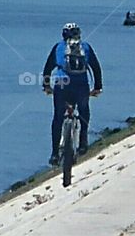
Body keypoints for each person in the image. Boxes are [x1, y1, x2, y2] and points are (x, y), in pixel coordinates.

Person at [42, 23, 103, 164]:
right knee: (84, 111)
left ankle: (54, 154)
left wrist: (46, 86)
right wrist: (97, 87)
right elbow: (96, 68)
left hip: (61, 85)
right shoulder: (86, 47)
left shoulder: (58, 47)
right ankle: (83, 141)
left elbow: (47, 69)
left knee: (58, 117)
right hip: (81, 86)